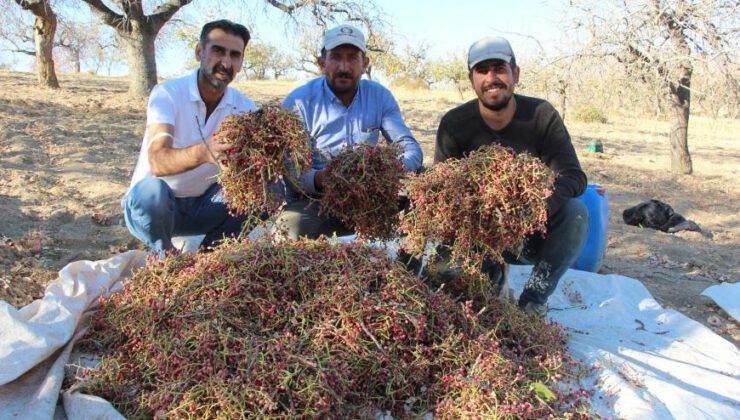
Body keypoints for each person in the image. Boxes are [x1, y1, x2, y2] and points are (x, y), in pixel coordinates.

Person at [435, 36, 589, 316]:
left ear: (515, 73)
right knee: (451, 295)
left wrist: (535, 210)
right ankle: (491, 276)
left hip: (528, 235)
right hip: (476, 236)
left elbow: (574, 177)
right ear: (471, 79)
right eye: (483, 70)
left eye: (499, 68)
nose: (492, 78)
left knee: (575, 213)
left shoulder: (541, 115)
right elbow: (440, 188)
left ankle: (533, 300)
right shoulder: (454, 124)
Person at [122, 20, 258, 254]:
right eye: (218, 51)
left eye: (235, 55)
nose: (225, 63)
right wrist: (205, 152)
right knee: (152, 192)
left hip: (204, 207)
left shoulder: (245, 108)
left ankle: (212, 256)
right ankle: (163, 253)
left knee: (268, 188)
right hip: (155, 210)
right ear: (199, 52)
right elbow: (157, 161)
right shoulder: (168, 94)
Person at [277, 24, 423, 240]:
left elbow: (410, 148)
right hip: (318, 200)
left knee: (428, 186)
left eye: (353, 57)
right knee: (287, 228)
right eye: (335, 57)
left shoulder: (379, 96)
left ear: (365, 63)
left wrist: (390, 171)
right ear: (321, 63)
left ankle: (405, 266)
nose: (344, 66)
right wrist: (321, 179)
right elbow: (291, 169)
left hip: (370, 196)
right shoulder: (299, 102)